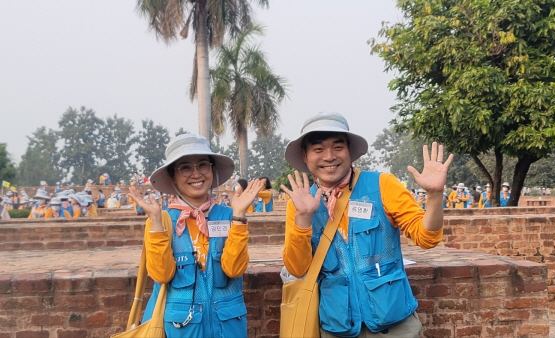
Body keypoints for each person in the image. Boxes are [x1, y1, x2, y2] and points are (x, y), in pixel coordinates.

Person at [280, 112, 453, 338]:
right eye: (318, 149)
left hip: (393, 324)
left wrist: (434, 195)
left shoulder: (382, 185)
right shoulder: (300, 203)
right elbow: (297, 268)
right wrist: (303, 218)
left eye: (338, 147)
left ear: (350, 151)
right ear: (305, 156)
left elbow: (427, 238)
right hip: (337, 326)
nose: (329, 156)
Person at [128, 133, 263, 338]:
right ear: (173, 175)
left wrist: (239, 217)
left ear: (212, 169)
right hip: (183, 326)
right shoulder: (162, 220)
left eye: (202, 165)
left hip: (227, 326)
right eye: (185, 167)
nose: (196, 174)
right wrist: (155, 222)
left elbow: (234, 269)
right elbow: (161, 275)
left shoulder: (229, 215)